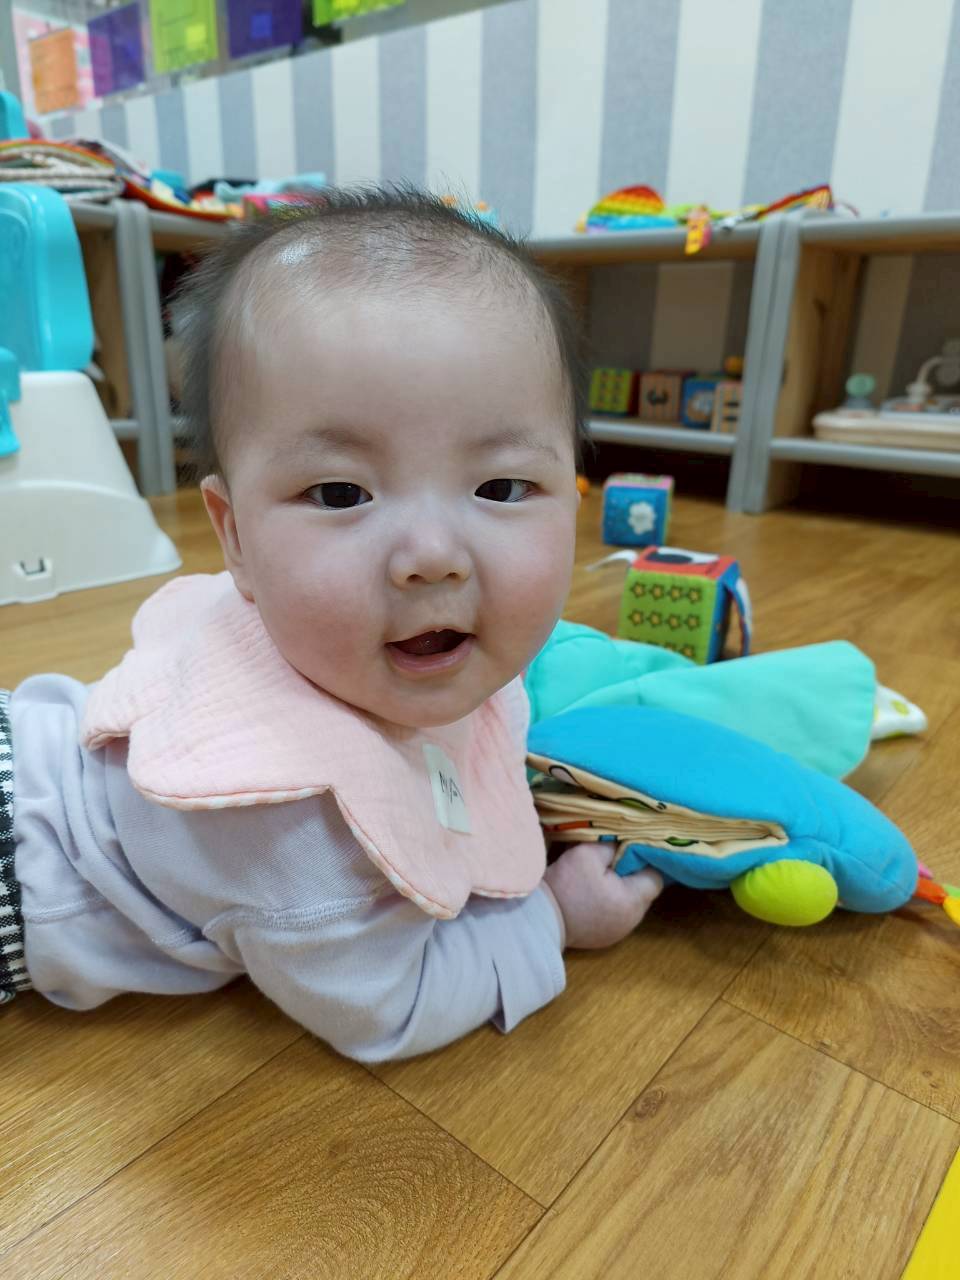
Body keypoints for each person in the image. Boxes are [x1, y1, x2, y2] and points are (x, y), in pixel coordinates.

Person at [1, 187, 663, 1056]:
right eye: (342, 493)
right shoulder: (288, 816)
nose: (433, 555)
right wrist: (556, 918)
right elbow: (387, 1006)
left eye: (502, 487)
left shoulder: (330, 635)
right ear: (235, 538)